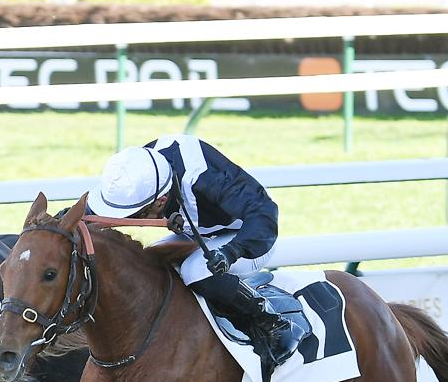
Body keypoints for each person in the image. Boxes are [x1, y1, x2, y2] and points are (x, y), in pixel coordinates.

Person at [86, 135, 307, 368]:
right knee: (148, 262)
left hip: (248, 236)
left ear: (160, 202)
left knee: (196, 271)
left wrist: (230, 252)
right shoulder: (138, 171)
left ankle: (273, 320)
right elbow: (98, 213)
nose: (127, 221)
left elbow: (264, 215)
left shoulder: (206, 178)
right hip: (198, 232)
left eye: (135, 215)